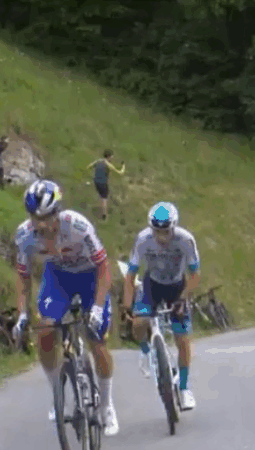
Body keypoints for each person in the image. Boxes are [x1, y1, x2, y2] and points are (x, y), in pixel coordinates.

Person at [13, 180, 116, 434]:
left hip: (90, 276)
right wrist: (22, 314)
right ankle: (58, 395)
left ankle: (106, 405)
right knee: (45, 330)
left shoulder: (78, 226)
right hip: (59, 278)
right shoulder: (24, 235)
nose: (41, 225)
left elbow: (104, 266)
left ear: (57, 211)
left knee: (97, 341)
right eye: (35, 218)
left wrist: (98, 307)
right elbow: (23, 276)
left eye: (46, 218)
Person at [121, 202, 201, 408]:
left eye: (166, 232)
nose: (162, 237)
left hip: (177, 287)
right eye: (157, 232)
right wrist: (127, 306)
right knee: (139, 322)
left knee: (182, 339)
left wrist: (183, 299)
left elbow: (195, 275)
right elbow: (130, 275)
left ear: (173, 227)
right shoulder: (143, 239)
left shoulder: (185, 239)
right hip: (152, 285)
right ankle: (145, 351)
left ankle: (184, 388)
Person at [86, 150, 126, 221]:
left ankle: (102, 208)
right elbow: (120, 173)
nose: (113, 157)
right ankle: (104, 215)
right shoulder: (108, 164)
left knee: (102, 196)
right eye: (112, 156)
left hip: (96, 181)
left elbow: (89, 166)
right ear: (109, 157)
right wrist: (123, 166)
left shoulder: (98, 161)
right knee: (104, 198)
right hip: (103, 183)